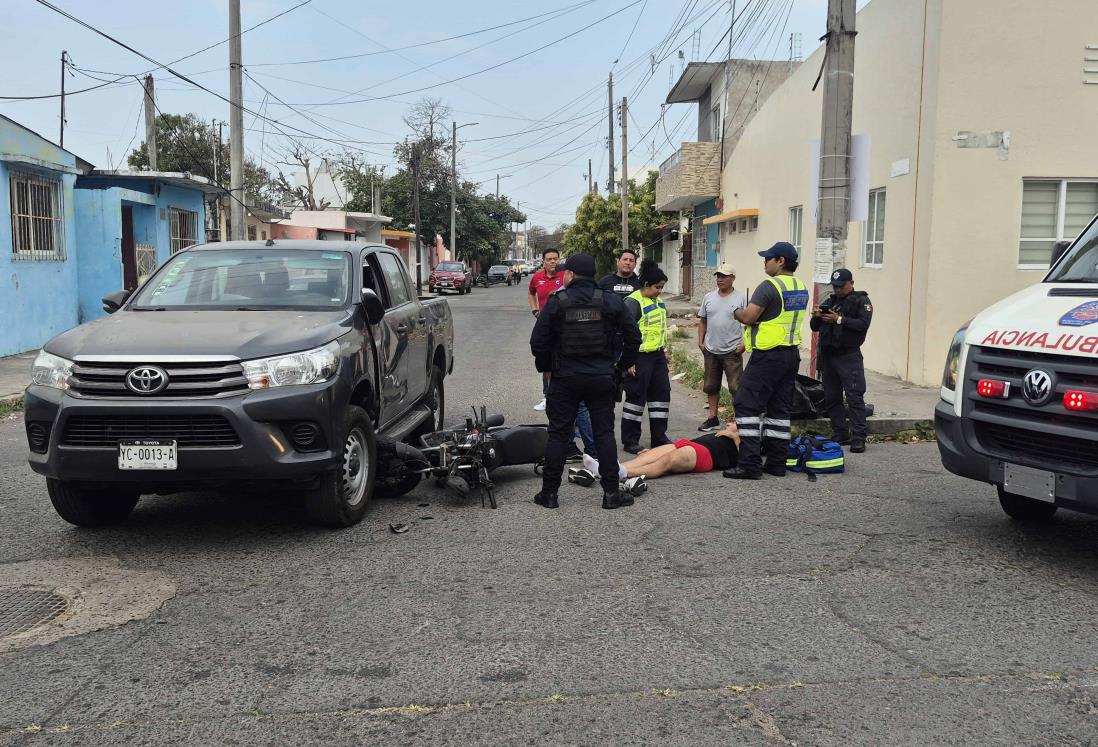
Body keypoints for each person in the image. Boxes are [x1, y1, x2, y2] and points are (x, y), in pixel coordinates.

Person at [530, 252, 641, 510]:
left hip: (565, 378)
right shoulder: (611, 301)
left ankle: (549, 494)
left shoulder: (558, 302)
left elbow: (538, 342)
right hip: (602, 377)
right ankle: (611, 494)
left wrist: (548, 367)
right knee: (604, 434)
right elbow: (633, 336)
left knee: (558, 434)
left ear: (570, 275)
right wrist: (621, 368)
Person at [724, 241, 808, 480]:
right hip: (791, 355)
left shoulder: (769, 286)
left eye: (768, 258)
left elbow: (749, 317)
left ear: (780, 261)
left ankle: (749, 464)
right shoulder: (800, 286)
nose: (764, 261)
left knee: (746, 404)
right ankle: (777, 463)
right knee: (779, 409)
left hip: (768, 355)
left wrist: (736, 312)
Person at [810, 268, 873, 453]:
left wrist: (839, 320)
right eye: (835, 286)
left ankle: (859, 438)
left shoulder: (862, 301)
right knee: (831, 397)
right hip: (829, 356)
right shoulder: (830, 302)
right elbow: (815, 327)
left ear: (851, 283)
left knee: (854, 397)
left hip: (849, 355)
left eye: (841, 286)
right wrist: (817, 316)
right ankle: (840, 433)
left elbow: (863, 324)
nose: (837, 290)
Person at [570, 422, 740, 487]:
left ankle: (622, 474)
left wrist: (734, 435)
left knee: (665, 462)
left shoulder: (745, 437)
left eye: (733, 422)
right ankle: (603, 470)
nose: (729, 423)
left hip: (705, 455)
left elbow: (748, 455)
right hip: (689, 443)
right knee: (646, 456)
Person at [621, 260, 672, 454]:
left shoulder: (657, 301)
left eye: (662, 287)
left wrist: (663, 355)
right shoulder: (633, 302)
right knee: (635, 399)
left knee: (661, 396)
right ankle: (630, 440)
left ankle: (659, 437)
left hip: (657, 356)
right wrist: (628, 361)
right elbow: (623, 334)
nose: (660, 291)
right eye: (657, 287)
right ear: (646, 285)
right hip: (639, 358)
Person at [697, 263, 747, 432]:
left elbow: (749, 324)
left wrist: (744, 344)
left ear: (733, 278)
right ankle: (712, 418)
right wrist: (700, 342)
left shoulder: (741, 298)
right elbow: (703, 320)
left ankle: (738, 421)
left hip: (732, 350)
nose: (720, 279)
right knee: (711, 386)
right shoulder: (709, 297)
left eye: (724, 276)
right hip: (711, 349)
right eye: (718, 276)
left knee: (736, 387)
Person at [528, 249, 565, 412]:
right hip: (546, 325)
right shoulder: (537, 277)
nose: (552, 262)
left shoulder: (565, 276)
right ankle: (547, 396)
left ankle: (566, 397)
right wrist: (535, 310)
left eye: (555, 259)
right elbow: (531, 292)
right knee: (547, 361)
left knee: (564, 361)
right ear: (543, 261)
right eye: (549, 259)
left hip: (565, 325)